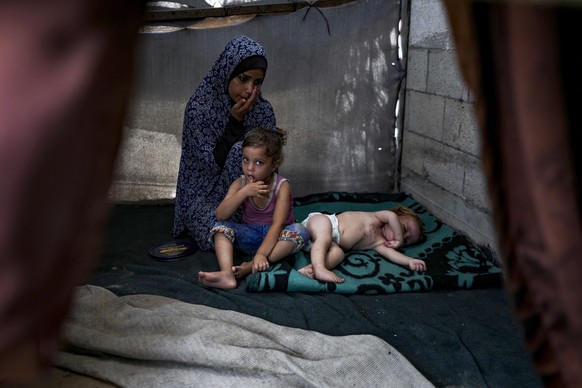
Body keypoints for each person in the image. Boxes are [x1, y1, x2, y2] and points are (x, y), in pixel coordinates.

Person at [173, 35, 276, 251]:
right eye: (243, 79)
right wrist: (235, 123)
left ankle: (243, 231)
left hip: (251, 199)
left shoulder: (263, 111)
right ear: (226, 72)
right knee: (208, 225)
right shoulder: (198, 110)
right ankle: (246, 234)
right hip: (204, 197)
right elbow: (206, 168)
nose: (249, 90)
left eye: (257, 83)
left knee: (253, 154)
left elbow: (270, 164)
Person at [198, 127, 308, 289]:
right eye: (245, 159)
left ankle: (250, 266)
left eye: (259, 162)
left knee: (300, 230)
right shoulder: (240, 183)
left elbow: (278, 224)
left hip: (278, 239)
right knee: (219, 228)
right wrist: (244, 193)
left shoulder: (282, 186)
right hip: (251, 235)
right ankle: (227, 274)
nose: (250, 168)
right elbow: (221, 214)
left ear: (274, 164)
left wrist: (261, 255)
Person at [299, 206, 426, 283]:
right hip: (322, 222)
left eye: (407, 241)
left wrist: (410, 261)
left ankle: (310, 269)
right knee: (324, 235)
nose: (403, 238)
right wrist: (399, 239)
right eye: (403, 229)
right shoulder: (378, 216)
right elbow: (391, 216)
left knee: (339, 254)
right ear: (397, 218)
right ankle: (320, 268)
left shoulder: (380, 243)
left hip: (327, 244)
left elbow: (391, 254)